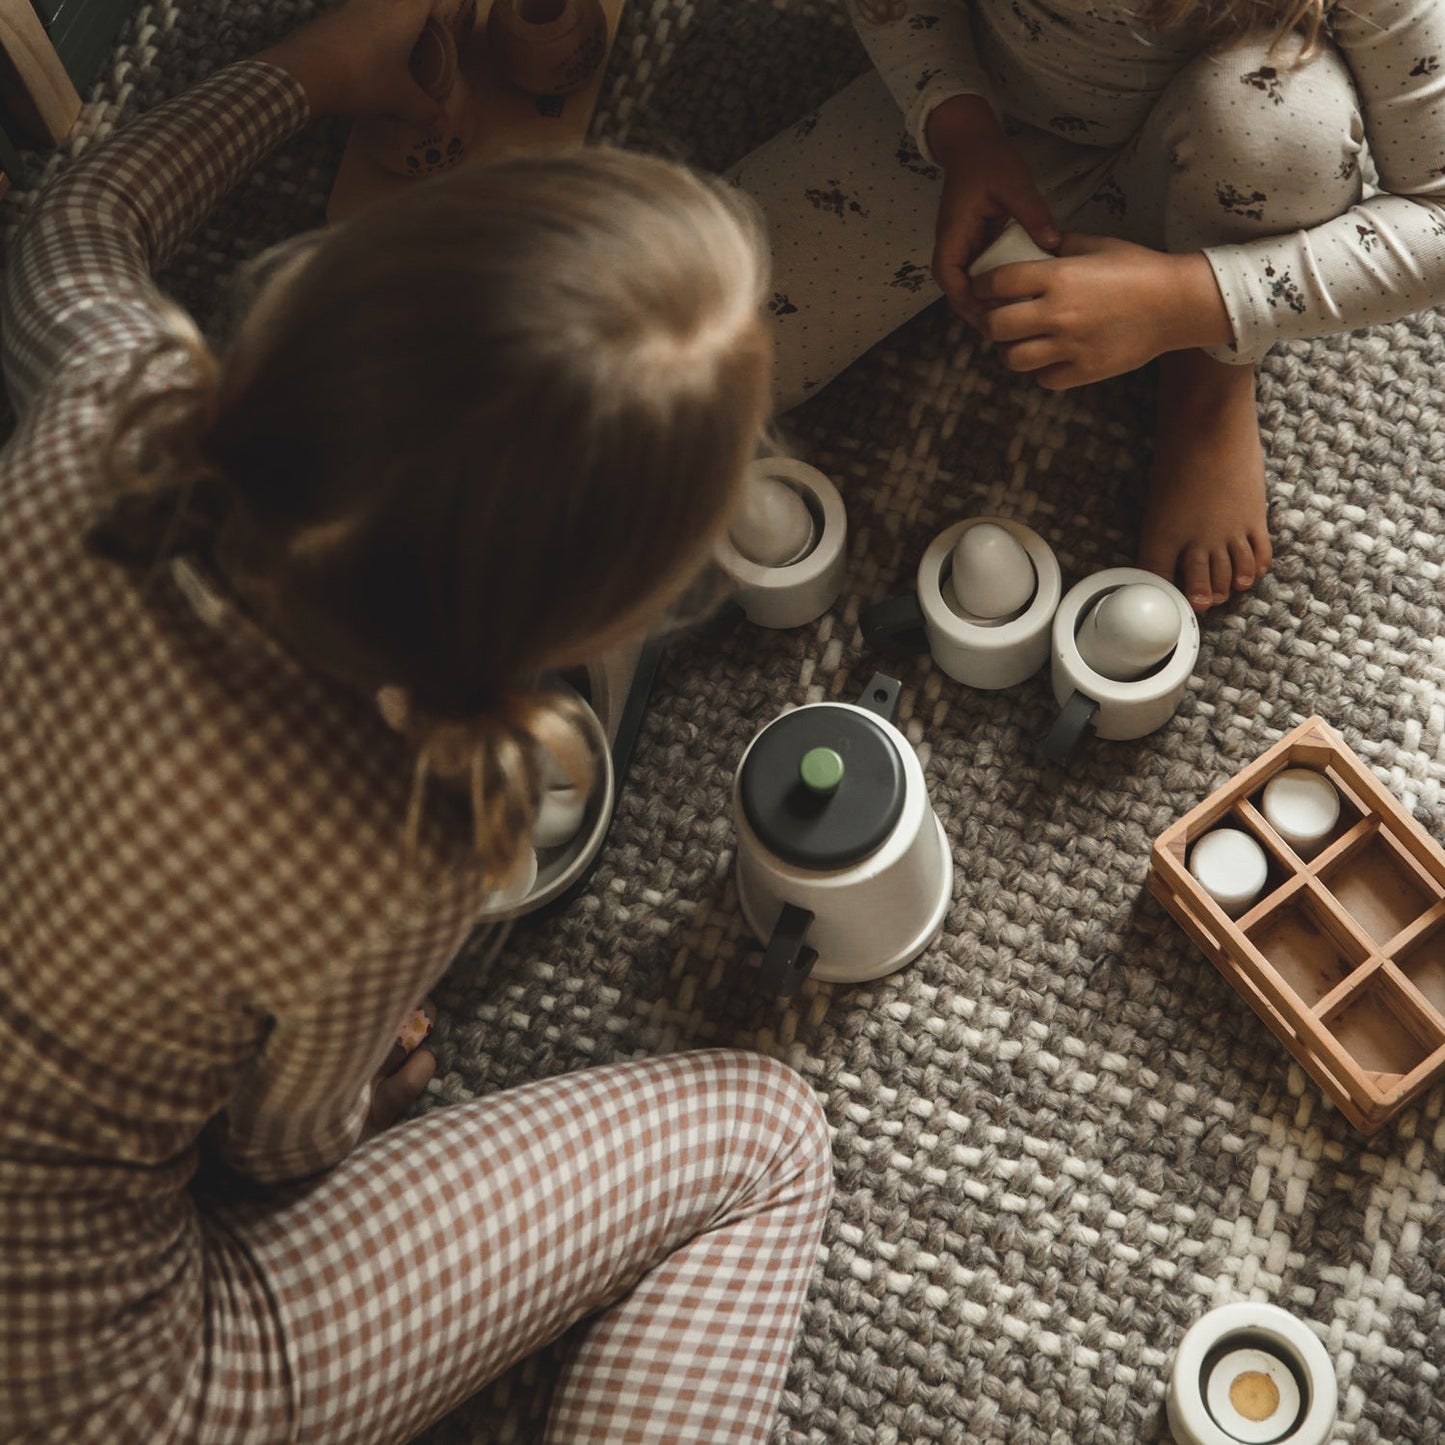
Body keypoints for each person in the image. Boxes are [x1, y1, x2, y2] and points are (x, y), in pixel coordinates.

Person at [0, 1, 833, 1440]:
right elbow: (276, 1148)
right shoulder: (403, 831)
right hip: (81, 1390)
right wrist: (375, 1087)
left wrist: (311, 72)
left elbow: (73, 229)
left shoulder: (109, 402)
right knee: (767, 1137)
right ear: (564, 631)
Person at [730, 0, 1445, 611]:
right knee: (713, 350)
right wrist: (957, 126)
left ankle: (1210, 377)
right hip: (992, 107)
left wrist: (1189, 301)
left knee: (1288, 133)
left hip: (1235, 141)